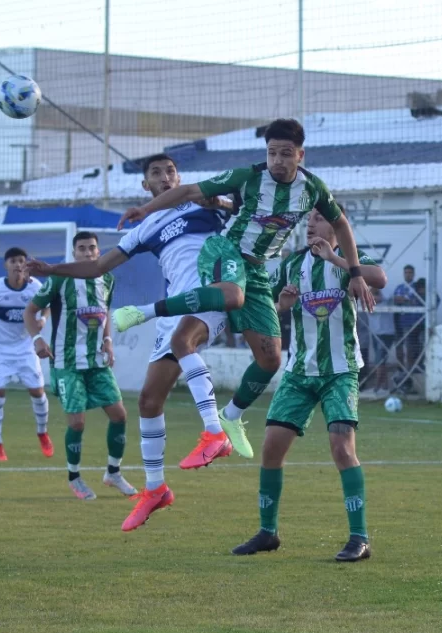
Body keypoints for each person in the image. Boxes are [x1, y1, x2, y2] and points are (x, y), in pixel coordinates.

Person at [110, 119, 374, 460]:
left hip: (258, 270)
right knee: (227, 302)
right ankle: (143, 312)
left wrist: (354, 273)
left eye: (285, 154)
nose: (277, 160)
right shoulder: (249, 176)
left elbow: (341, 223)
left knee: (270, 358)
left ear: (300, 155)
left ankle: (230, 416)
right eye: (271, 153)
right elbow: (191, 191)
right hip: (225, 251)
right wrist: (146, 208)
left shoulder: (313, 189)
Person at [28, 154, 233, 527]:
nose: (165, 176)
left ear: (179, 176)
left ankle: (216, 431)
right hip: (171, 306)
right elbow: (98, 267)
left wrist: (219, 202)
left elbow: (246, 214)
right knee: (148, 401)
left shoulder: (203, 200)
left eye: (171, 170)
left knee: (185, 341)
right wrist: (52, 269)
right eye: (156, 173)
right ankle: (156, 490)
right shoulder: (144, 227)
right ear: (145, 186)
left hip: (210, 294)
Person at [231, 209, 387, 561]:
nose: (311, 223)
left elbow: (380, 278)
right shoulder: (292, 264)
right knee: (271, 448)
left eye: (319, 218)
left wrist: (336, 258)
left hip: (339, 371)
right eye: (309, 219)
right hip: (298, 373)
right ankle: (267, 533)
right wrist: (280, 306)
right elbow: (265, 304)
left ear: (337, 225)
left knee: (342, 449)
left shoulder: (351, 260)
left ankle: (359, 539)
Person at [24, 231, 137, 502]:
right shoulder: (60, 278)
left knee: (120, 415)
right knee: (77, 421)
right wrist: (37, 339)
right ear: (74, 253)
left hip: (97, 362)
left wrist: (108, 340)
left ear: (99, 252)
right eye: (82, 248)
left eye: (92, 248)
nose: (88, 253)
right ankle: (74, 477)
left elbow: (104, 313)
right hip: (67, 362)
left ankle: (113, 472)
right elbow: (30, 311)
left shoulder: (107, 279)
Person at [0, 247, 54, 462]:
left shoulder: (35, 287)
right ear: (6, 265)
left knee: (38, 392)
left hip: (26, 349)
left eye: (21, 261)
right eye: (13, 261)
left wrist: (43, 319)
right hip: (0, 351)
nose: (17, 264)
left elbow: (48, 306)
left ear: (26, 265)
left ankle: (42, 433)